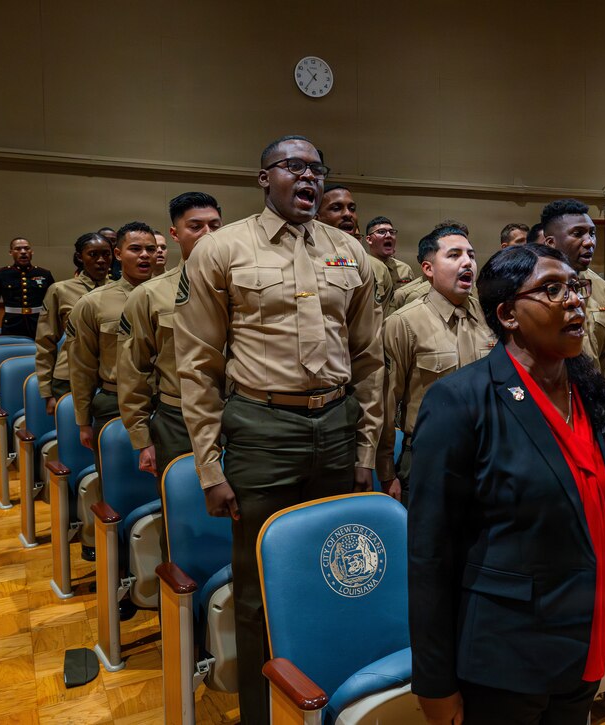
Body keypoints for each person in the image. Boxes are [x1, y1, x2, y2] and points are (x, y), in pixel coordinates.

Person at [175, 135, 383, 725]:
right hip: (261, 425)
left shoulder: (350, 252)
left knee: (343, 567)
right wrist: (210, 468)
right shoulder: (222, 249)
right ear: (264, 177)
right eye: (293, 166)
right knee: (259, 581)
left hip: (339, 424)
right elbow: (197, 364)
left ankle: (333, 693)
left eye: (317, 168)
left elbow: (369, 360)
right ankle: (262, 712)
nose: (309, 177)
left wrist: (366, 447)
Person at [408, 243, 605, 725]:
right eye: (553, 289)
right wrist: (434, 680)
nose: (574, 300)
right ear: (508, 314)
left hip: (584, 643)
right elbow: (430, 552)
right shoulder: (460, 401)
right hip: (507, 660)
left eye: (576, 287)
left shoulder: (589, 392)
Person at [378, 227, 494, 501]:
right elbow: (385, 400)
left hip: (487, 455)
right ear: (428, 269)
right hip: (429, 456)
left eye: (471, 255)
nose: (467, 262)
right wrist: (386, 472)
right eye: (454, 255)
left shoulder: (490, 318)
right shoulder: (404, 323)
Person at [118, 192, 222, 487]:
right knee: (183, 513)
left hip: (240, 415)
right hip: (178, 418)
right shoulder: (150, 294)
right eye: (196, 226)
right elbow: (133, 370)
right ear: (175, 234)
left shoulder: (244, 286)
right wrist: (141, 439)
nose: (208, 234)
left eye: (215, 226)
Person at [67, 222, 157, 560]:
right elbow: (81, 366)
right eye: (136, 249)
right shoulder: (93, 304)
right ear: (118, 254)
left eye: (150, 248)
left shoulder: (172, 295)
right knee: (119, 490)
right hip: (112, 404)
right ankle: (118, 566)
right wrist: (82, 419)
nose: (145, 255)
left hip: (163, 404)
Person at [35, 233, 112, 413]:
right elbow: (45, 343)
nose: (101, 260)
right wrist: (47, 392)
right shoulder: (60, 290)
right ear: (79, 257)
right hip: (69, 377)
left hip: (110, 378)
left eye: (106, 254)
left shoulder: (121, 289)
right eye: (93, 254)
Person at [541, 199, 605, 379]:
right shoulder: (531, 287)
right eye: (578, 233)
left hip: (592, 396)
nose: (589, 242)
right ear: (551, 243)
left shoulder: (601, 287)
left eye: (592, 233)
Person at [317, 184, 393, 313]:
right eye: (336, 208)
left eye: (352, 208)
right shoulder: (303, 254)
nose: (348, 214)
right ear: (315, 216)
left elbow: (372, 317)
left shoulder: (369, 264)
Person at [0, 237, 55, 337]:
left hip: (39, 325)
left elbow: (53, 304)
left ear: (32, 251)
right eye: (18, 249)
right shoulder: (0, 274)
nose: (23, 252)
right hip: (11, 325)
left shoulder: (44, 274)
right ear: (11, 252)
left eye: (27, 248)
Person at [365, 216, 417, 292]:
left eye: (392, 232)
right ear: (369, 239)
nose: (389, 235)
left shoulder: (404, 270)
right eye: (381, 232)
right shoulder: (363, 268)